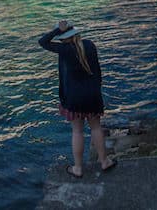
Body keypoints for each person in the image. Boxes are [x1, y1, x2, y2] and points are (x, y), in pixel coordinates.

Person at [38, 20, 116, 178]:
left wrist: (56, 31)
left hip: (74, 98)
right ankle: (104, 161)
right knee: (96, 128)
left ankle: (78, 168)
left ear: (63, 38)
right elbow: (98, 71)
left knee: (77, 131)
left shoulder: (64, 50)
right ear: (77, 34)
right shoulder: (90, 45)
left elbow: (42, 42)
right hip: (93, 95)